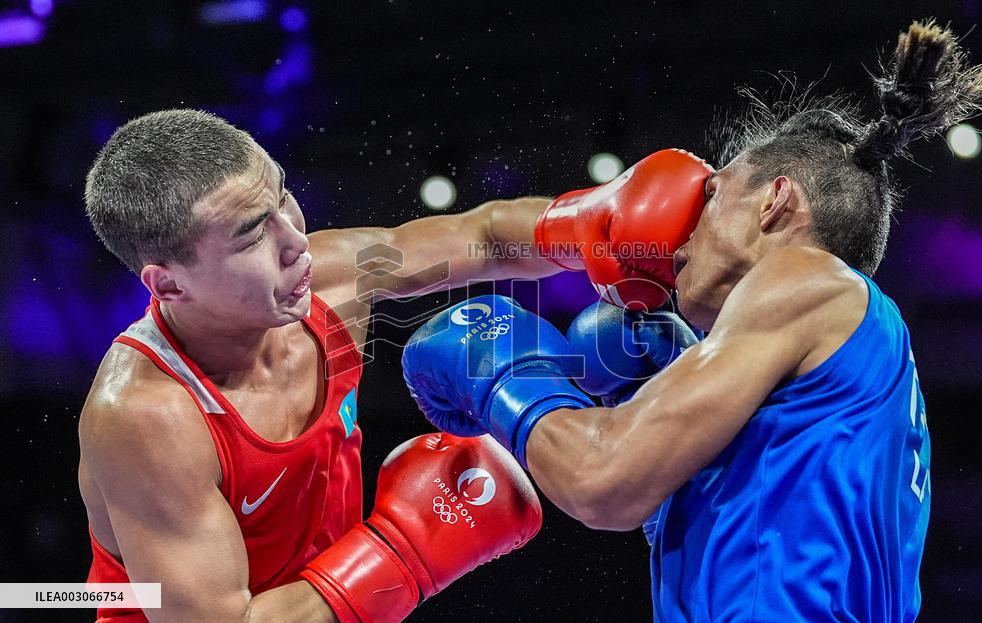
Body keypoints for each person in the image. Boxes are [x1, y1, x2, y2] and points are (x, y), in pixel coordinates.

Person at [401, 20, 982, 621]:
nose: (683, 230)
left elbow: (601, 478)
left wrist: (499, 370)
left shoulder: (807, 278)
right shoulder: (846, 355)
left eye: (711, 195)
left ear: (775, 201)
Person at [77, 107, 594, 622]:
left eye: (282, 196)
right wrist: (403, 548)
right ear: (168, 285)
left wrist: (607, 226)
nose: (297, 241)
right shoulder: (148, 416)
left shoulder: (328, 284)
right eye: (254, 235)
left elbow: (488, 238)